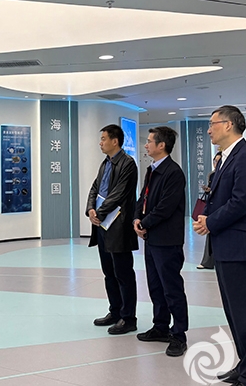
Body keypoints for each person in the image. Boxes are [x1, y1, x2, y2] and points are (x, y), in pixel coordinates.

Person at [193, 105, 246, 386]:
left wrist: (210, 222)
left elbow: (241, 201)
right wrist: (208, 218)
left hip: (240, 247)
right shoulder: (226, 157)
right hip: (227, 245)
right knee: (234, 312)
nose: (208, 130)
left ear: (228, 124)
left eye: (212, 124)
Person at [132, 126, 188, 357]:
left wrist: (145, 223)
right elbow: (143, 198)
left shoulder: (173, 173)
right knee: (155, 286)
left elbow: (166, 207)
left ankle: (179, 335)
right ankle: (160, 326)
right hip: (152, 238)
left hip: (167, 239)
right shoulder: (152, 169)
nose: (146, 145)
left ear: (162, 145)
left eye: (149, 141)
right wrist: (137, 218)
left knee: (171, 288)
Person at [86, 124, 139, 335]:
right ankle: (115, 311)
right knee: (109, 272)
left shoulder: (128, 164)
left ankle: (128, 318)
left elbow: (119, 193)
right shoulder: (105, 163)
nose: (100, 143)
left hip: (118, 225)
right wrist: (90, 209)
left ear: (115, 141)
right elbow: (95, 188)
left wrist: (99, 213)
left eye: (103, 139)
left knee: (123, 273)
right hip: (103, 226)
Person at [197, 151, 222, 270]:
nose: (216, 163)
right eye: (215, 161)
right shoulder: (212, 175)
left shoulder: (225, 173)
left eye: (218, 161)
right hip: (211, 208)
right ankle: (208, 261)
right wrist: (208, 191)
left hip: (221, 209)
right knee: (209, 236)